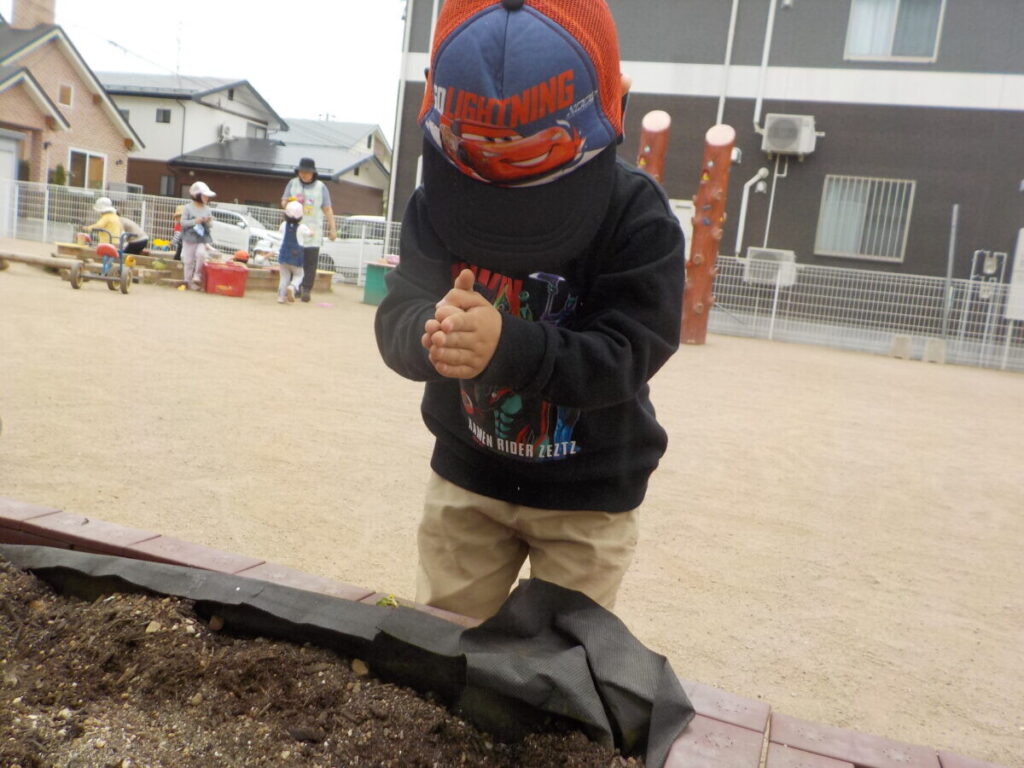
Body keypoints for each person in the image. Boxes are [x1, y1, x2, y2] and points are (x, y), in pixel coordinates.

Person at [374, 0, 685, 620]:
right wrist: (429, 334)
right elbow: (400, 308)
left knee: (562, 659)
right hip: (468, 478)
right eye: (480, 177)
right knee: (444, 641)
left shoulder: (637, 216)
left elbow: (627, 354)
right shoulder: (433, 202)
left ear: (618, 101)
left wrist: (507, 346)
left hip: (589, 495)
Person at [280, 157, 336, 302]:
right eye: (301, 172)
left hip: (313, 231)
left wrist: (332, 228)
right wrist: (289, 203)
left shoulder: (321, 187)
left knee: (310, 262)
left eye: (307, 172)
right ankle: (294, 288)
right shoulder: (292, 183)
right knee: (293, 261)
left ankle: (306, 289)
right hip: (294, 231)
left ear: (313, 173)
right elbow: (283, 202)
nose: (304, 174)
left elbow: (327, 209)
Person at [180, 181, 217, 291]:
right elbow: (182, 222)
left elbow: (211, 225)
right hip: (189, 237)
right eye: (204, 195)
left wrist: (207, 221)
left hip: (202, 237)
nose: (207, 198)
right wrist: (195, 221)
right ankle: (187, 282)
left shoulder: (207, 209)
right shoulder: (187, 207)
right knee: (188, 261)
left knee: (201, 254)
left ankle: (197, 274)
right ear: (197, 195)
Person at [276, 200, 313, 304]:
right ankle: (292, 287)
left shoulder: (283, 225)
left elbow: (280, 232)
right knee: (299, 275)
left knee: (284, 277)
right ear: (301, 216)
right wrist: (312, 231)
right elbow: (310, 234)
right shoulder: (302, 227)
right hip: (296, 256)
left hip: (284, 254)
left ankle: (281, 297)